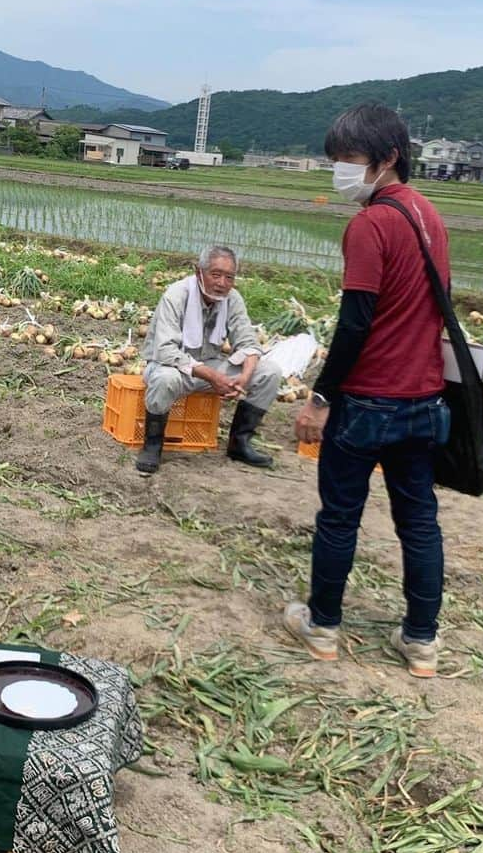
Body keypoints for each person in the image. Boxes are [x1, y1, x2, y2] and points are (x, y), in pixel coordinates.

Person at [287, 102, 451, 678]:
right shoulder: (429, 215)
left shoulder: (370, 224)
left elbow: (356, 322)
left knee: (339, 517)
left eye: (351, 160)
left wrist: (320, 398)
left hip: (367, 402)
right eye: (336, 160)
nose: (341, 171)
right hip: (425, 402)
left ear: (388, 159)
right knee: (420, 521)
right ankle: (422, 642)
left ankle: (323, 627)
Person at [137, 245, 283, 474]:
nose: (222, 283)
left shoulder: (232, 299)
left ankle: (239, 443)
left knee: (269, 372)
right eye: (216, 274)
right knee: (165, 379)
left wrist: (243, 378)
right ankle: (153, 445)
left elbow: (249, 344)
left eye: (229, 277)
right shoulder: (177, 295)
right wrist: (212, 376)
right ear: (199, 272)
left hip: (209, 365)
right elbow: (165, 351)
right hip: (173, 367)